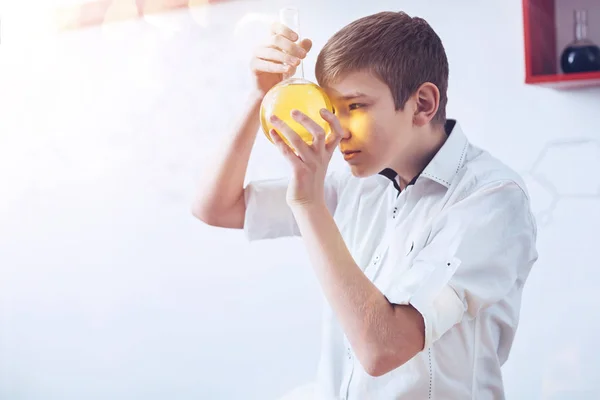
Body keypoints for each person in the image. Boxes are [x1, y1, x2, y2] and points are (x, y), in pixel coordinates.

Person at [192, 10, 538, 400]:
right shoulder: (359, 184)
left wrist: (308, 203)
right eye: (333, 109)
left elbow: (382, 348)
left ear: (422, 103)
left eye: (355, 106)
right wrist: (261, 95)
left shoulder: (491, 199)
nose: (337, 129)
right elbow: (215, 207)